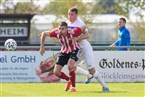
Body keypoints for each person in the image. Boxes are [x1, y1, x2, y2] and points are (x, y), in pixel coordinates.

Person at [66, 7, 109, 92]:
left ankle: (105, 87)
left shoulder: (80, 23)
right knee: (71, 67)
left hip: (85, 48)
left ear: (76, 15)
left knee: (92, 69)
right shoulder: (66, 23)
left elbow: (87, 35)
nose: (70, 16)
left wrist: (77, 38)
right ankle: (87, 75)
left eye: (72, 14)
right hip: (76, 49)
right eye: (69, 14)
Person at [39, 21, 86, 92]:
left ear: (67, 28)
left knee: (70, 66)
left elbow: (84, 26)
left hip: (74, 49)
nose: (60, 30)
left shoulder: (74, 31)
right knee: (56, 72)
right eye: (59, 29)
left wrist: (78, 38)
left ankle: (73, 87)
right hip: (64, 51)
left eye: (62, 29)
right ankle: (69, 80)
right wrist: (42, 46)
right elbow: (44, 33)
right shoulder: (56, 32)